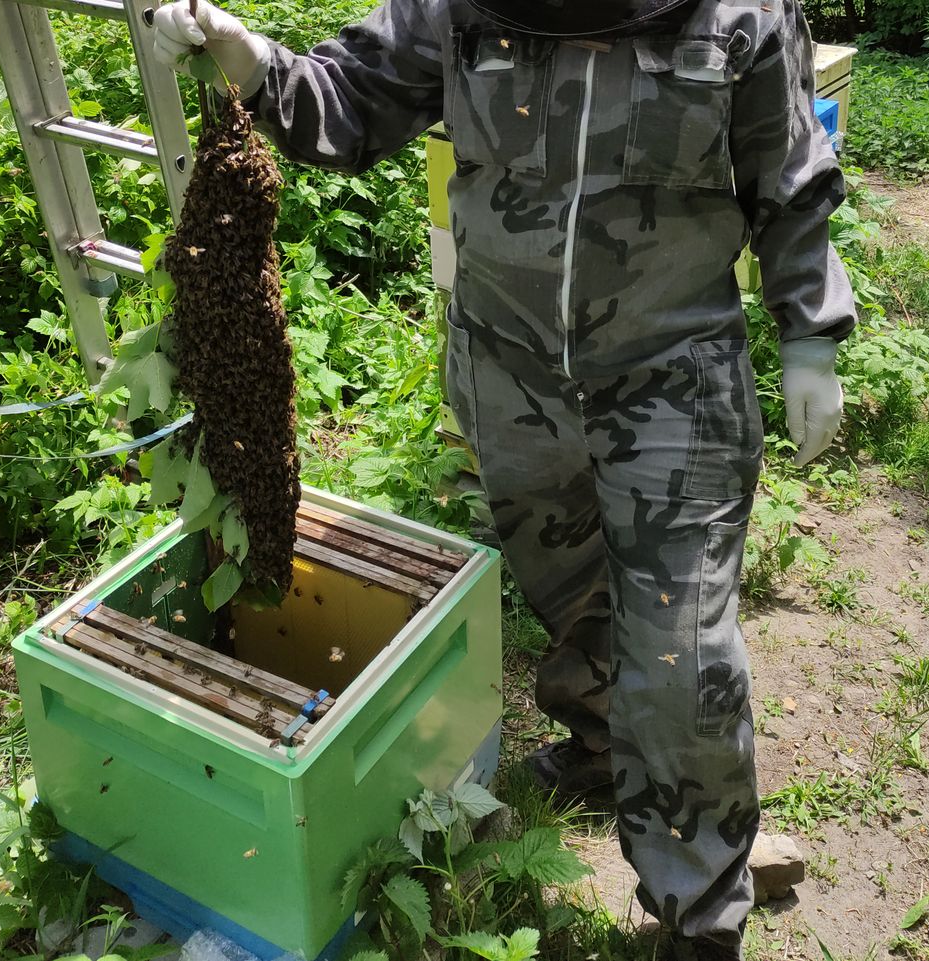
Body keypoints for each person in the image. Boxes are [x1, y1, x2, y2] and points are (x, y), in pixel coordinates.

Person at [153, 1, 855, 957]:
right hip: (508, 364)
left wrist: (809, 329)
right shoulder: (458, 5)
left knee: (683, 650)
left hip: (671, 371)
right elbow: (353, 95)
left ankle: (699, 912)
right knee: (563, 576)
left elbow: (789, 169)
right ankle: (606, 744)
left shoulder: (739, 12)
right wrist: (255, 63)